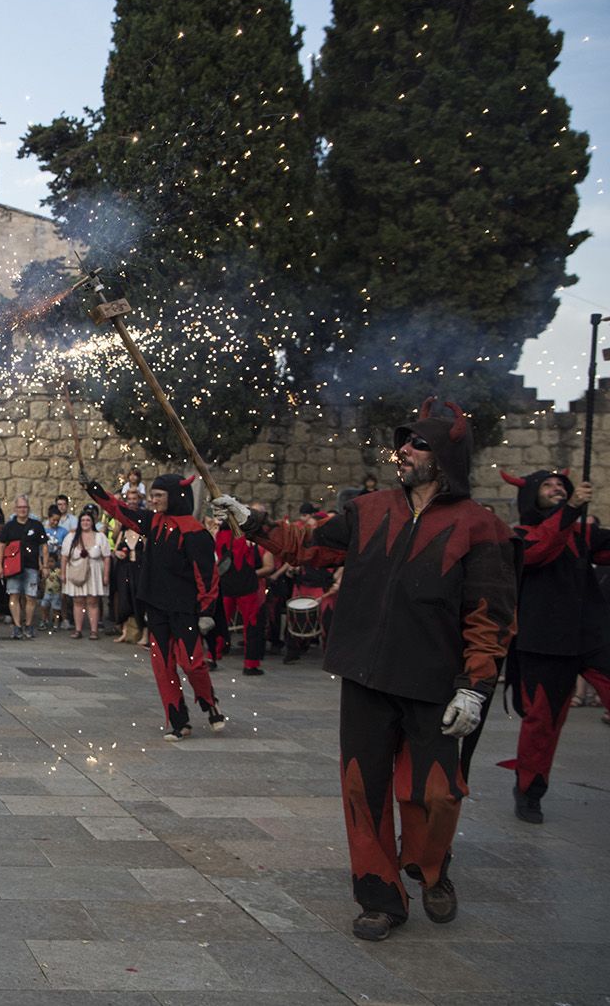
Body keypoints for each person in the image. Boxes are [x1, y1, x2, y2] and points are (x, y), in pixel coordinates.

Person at [214, 399, 516, 942]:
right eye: (402, 442)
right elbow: (307, 548)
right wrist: (251, 521)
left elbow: (488, 616)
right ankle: (380, 897)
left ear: (445, 455)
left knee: (438, 793)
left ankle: (429, 867)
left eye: (417, 443)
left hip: (435, 682)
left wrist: (475, 687)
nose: (403, 450)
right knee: (362, 788)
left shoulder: (482, 526)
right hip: (366, 674)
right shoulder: (370, 508)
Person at [500, 467, 610, 823]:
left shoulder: (581, 532)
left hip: (590, 637)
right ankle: (529, 791)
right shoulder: (519, 535)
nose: (557, 489)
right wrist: (572, 508)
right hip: (545, 643)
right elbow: (542, 549)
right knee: (542, 724)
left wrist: (576, 516)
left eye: (561, 485)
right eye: (547, 486)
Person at [88, 473, 225, 741]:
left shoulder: (196, 533)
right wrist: (95, 490)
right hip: (156, 606)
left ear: (175, 497)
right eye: (152, 495)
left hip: (185, 608)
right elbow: (122, 511)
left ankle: (209, 702)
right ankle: (178, 720)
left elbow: (207, 576)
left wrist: (206, 611)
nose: (153, 499)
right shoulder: (152, 522)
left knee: (192, 663)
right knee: (162, 665)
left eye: (159, 495)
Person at [213, 523, 273, 675]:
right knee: (251, 625)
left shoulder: (219, 534)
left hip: (226, 584)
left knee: (220, 621)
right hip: (246, 585)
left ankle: (212, 656)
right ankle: (250, 664)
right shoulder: (250, 537)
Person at [0, 495, 47, 639]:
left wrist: (44, 565)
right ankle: (17, 626)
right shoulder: (9, 526)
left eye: (25, 507)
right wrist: (0, 565)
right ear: (15, 509)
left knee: (31, 597)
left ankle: (29, 624)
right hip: (13, 567)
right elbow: (1, 546)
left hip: (31, 566)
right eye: (20, 507)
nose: (22, 510)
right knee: (14, 595)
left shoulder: (36, 525)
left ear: (28, 508)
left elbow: (44, 546)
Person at [64, 511, 111, 639]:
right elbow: (64, 556)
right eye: (83, 520)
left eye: (88, 520)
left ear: (92, 522)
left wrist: (106, 575)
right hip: (77, 571)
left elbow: (107, 557)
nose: (85, 523)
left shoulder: (100, 536)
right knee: (78, 601)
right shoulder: (72, 537)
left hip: (95, 572)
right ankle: (78, 630)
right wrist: (63, 574)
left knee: (93, 601)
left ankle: (94, 631)